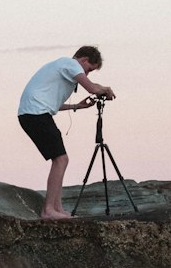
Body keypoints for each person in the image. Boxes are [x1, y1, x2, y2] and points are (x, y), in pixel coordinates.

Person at [18, 46, 115, 219]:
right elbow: (92, 88)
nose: (88, 74)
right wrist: (105, 89)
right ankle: (48, 210)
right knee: (61, 159)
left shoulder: (63, 68)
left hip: (35, 114)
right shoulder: (70, 64)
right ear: (84, 60)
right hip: (35, 115)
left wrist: (77, 106)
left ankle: (57, 208)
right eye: (90, 69)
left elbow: (53, 104)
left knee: (61, 159)